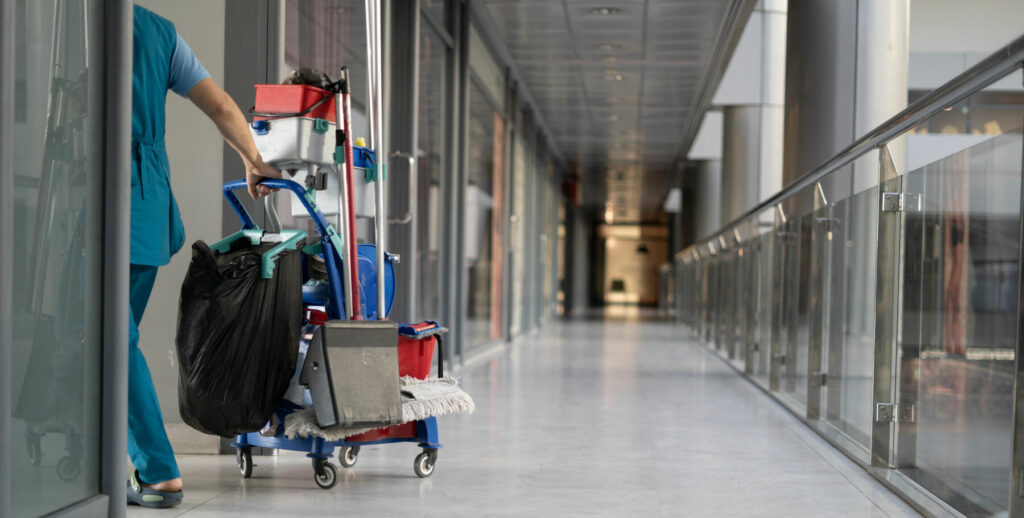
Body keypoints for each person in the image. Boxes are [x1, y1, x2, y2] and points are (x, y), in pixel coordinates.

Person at [126, 5, 280, 508]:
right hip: (145, 205)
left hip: (104, 205)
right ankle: (123, 459)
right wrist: (253, 161)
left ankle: (157, 470)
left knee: (106, 337)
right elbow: (219, 105)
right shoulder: (160, 34)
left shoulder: (76, 22)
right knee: (106, 336)